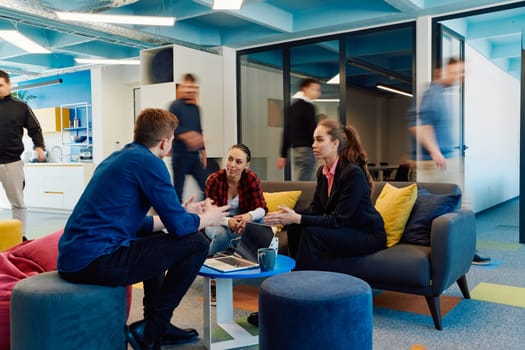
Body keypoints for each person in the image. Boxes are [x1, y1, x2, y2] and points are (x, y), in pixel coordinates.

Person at [57, 108, 229, 350]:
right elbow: (180, 228)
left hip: (75, 258)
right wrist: (208, 218)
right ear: (165, 142)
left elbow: (134, 223)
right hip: (95, 260)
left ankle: (154, 325)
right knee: (197, 243)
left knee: (155, 236)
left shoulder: (120, 157)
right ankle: (153, 328)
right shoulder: (151, 163)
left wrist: (184, 212)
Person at [265, 119, 386, 270]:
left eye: (319, 140)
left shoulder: (352, 173)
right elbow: (315, 209)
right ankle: (295, 274)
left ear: (335, 143)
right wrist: (288, 216)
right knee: (295, 226)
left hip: (367, 234)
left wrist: (298, 218)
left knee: (311, 233)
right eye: (314, 140)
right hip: (346, 228)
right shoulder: (322, 173)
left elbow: (339, 220)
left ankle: (303, 280)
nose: (313, 145)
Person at [408, 58, 491, 266]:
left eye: (462, 73)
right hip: (438, 162)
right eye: (456, 72)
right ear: (441, 71)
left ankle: (463, 249)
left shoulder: (443, 94)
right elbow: (419, 125)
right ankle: (460, 251)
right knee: (455, 207)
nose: (460, 77)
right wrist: (435, 152)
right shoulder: (432, 93)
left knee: (461, 206)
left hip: (447, 158)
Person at [0, 69, 46, 240]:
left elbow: (35, 128)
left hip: (12, 163)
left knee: (17, 203)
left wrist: (39, 146)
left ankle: (20, 236)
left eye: (0, 85)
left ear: (9, 85)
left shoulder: (20, 106)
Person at [205, 144, 267, 255]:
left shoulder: (251, 178)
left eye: (238, 162)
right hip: (216, 220)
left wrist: (249, 216)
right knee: (222, 235)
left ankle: (252, 262)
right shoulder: (214, 179)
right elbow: (210, 213)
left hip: (242, 220)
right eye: (230, 159)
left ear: (246, 165)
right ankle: (208, 266)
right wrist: (228, 221)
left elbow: (262, 208)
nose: (232, 165)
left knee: (261, 225)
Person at [170, 73, 207, 201]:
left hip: (194, 157)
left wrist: (204, 154)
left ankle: (205, 215)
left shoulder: (196, 109)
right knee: (178, 192)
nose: (190, 90)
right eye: (187, 87)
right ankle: (175, 218)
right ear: (182, 88)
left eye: (193, 88)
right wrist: (188, 136)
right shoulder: (175, 106)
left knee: (206, 188)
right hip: (179, 157)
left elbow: (199, 131)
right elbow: (172, 128)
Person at [277, 78, 321, 181]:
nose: (318, 93)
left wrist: (283, 154)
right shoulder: (308, 107)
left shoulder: (292, 106)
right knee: (305, 182)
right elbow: (312, 130)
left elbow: (287, 131)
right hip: (307, 149)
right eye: (315, 89)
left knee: (303, 178)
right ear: (305, 89)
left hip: (297, 151)